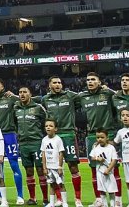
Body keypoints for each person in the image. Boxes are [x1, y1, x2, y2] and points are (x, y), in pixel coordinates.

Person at [39, 76, 84, 207]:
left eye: (59, 82)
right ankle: (59, 199)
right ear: (49, 85)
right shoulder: (45, 99)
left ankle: (77, 199)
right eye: (55, 82)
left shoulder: (70, 96)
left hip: (68, 134)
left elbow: (84, 96)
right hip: (53, 137)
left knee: (73, 166)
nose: (58, 85)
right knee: (52, 168)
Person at [77, 73, 120, 206]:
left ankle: (117, 199)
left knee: (114, 168)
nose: (90, 82)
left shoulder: (108, 93)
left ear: (99, 81)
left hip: (109, 133)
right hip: (92, 135)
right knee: (94, 168)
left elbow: (120, 95)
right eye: (88, 80)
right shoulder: (82, 97)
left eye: (93, 79)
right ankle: (99, 199)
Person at [0, 79, 24, 204]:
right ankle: (1, 196)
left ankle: (20, 196)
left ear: (3, 86)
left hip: (9, 135)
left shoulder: (10, 98)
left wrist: (15, 95)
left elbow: (25, 100)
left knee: (14, 165)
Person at [16, 86, 49, 207]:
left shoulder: (38, 107)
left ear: (30, 94)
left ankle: (45, 199)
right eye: (20, 92)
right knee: (28, 171)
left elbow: (47, 121)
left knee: (40, 170)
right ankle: (32, 198)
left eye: (25, 92)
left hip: (37, 143)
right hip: (23, 144)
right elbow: (15, 124)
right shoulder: (16, 108)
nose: (22, 94)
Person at [41, 120, 68, 207]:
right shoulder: (44, 140)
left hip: (56, 166)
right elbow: (44, 154)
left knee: (61, 184)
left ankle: (64, 202)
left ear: (55, 129)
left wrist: (60, 167)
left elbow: (61, 153)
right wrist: (44, 167)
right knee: (51, 184)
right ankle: (52, 203)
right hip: (49, 167)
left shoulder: (58, 139)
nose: (48, 127)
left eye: (51, 126)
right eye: (46, 126)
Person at [90, 131, 120, 207]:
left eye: (102, 137)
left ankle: (113, 205)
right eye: (98, 137)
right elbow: (92, 157)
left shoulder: (111, 148)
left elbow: (114, 160)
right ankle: (105, 205)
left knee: (111, 191)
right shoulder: (96, 148)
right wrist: (97, 158)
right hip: (99, 173)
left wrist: (108, 169)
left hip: (109, 173)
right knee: (102, 190)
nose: (100, 139)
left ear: (107, 138)